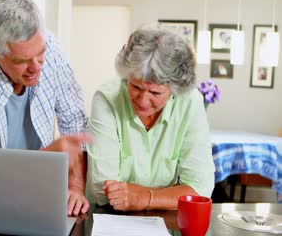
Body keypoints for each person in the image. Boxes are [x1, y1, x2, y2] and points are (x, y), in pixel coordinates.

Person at [0, 0, 90, 215]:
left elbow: (74, 121)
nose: (36, 67)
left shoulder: (51, 46)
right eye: (21, 61)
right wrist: (47, 156)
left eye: (40, 54)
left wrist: (75, 187)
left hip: (39, 194)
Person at [86, 26, 215, 211]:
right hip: (106, 214)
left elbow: (200, 190)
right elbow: (102, 189)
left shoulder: (190, 102)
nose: (143, 101)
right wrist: (170, 193)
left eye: (155, 92)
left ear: (175, 89)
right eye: (136, 87)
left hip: (162, 219)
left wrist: (143, 198)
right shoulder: (106, 99)